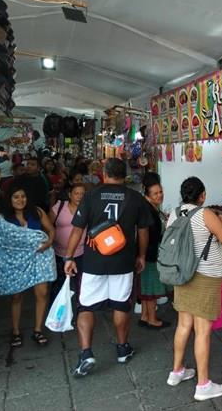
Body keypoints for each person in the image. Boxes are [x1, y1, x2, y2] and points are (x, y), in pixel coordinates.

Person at [63, 158, 152, 377]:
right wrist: (141, 255)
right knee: (121, 305)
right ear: (125, 174)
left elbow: (77, 230)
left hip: (94, 260)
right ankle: (122, 348)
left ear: (104, 173)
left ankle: (86, 354)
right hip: (123, 261)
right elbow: (143, 231)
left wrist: (69, 257)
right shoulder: (135, 198)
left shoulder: (91, 196)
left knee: (86, 307)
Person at [166, 177, 222, 402]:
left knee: (184, 324)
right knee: (202, 331)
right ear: (202, 195)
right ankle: (203, 384)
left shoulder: (175, 213)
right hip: (205, 276)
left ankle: (176, 372)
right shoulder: (205, 214)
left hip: (182, 274)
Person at [0, 183, 56, 347]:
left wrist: (48, 244)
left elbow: (51, 231)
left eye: (23, 196)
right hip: (15, 262)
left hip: (39, 257)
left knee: (42, 293)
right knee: (16, 296)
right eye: (16, 197)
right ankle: (16, 331)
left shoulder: (37, 212)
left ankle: (38, 329)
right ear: (10, 199)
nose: (20, 200)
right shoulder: (4, 217)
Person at [138, 180, 168, 329]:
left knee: (145, 286)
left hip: (147, 253)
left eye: (160, 192)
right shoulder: (149, 211)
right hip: (150, 254)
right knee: (151, 288)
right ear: (147, 195)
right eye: (155, 193)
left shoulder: (151, 208)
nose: (159, 195)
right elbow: (151, 234)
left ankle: (144, 316)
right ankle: (152, 319)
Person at [49, 183, 86, 303]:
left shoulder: (87, 209)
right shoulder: (59, 206)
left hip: (80, 254)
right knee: (58, 285)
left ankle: (77, 313)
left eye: (82, 194)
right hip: (58, 254)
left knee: (79, 285)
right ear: (70, 195)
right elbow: (48, 226)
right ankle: (55, 315)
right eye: (76, 193)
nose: (79, 196)